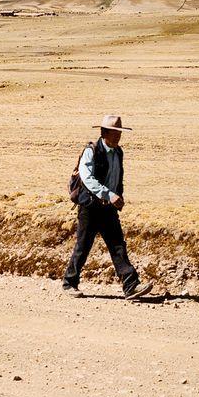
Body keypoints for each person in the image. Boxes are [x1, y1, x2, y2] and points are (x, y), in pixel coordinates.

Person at [62, 114, 152, 299]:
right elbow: (87, 179)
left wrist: (118, 196)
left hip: (108, 208)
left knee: (118, 244)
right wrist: (110, 195)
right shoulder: (92, 151)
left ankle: (130, 285)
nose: (118, 136)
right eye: (114, 132)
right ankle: (69, 283)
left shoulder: (119, 152)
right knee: (83, 245)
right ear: (104, 133)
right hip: (90, 206)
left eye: (119, 133)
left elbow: (117, 177)